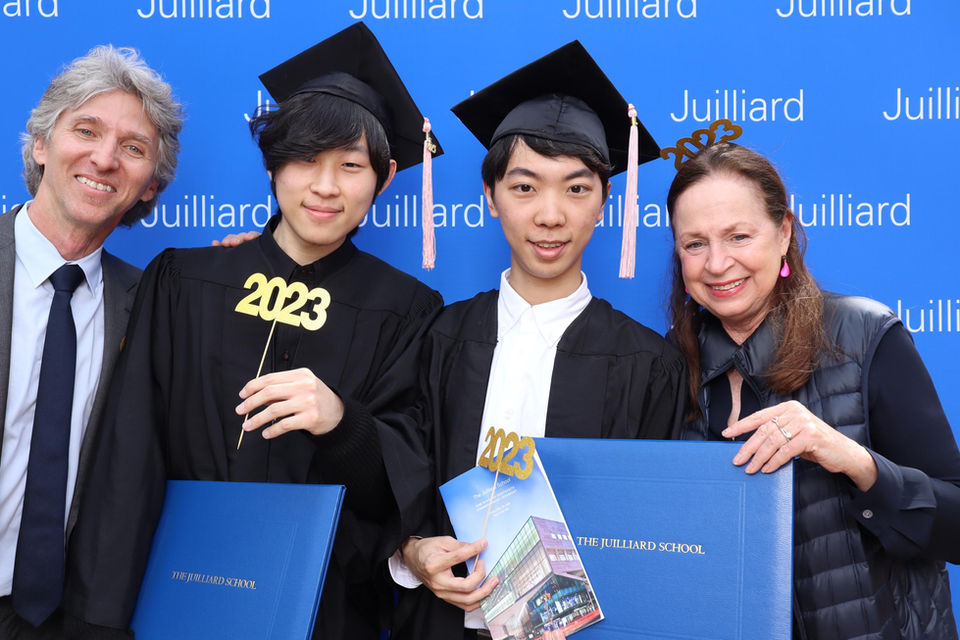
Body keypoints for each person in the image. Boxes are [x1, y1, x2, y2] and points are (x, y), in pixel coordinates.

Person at [63, 23, 442, 639]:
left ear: (385, 177)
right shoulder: (186, 280)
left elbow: (397, 498)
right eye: (305, 161)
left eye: (350, 166)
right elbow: (127, 460)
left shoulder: (407, 311)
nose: (325, 187)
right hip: (175, 597)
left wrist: (342, 423)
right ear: (273, 167)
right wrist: (98, 621)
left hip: (324, 612)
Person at [391, 41, 688, 640]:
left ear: (605, 201)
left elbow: (658, 525)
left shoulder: (649, 363)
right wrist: (412, 552)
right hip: (441, 624)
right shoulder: (438, 337)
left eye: (577, 189)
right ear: (491, 198)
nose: (550, 215)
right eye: (525, 187)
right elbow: (397, 476)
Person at [665, 136, 960, 638]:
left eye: (739, 236)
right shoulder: (668, 362)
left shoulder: (864, 336)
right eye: (695, 243)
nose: (716, 264)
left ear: (783, 234)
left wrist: (850, 457)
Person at [0, 45, 183, 639]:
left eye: (133, 148)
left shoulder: (154, 307)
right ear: (40, 145)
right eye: (86, 130)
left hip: (67, 619)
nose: (104, 159)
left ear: (150, 186)